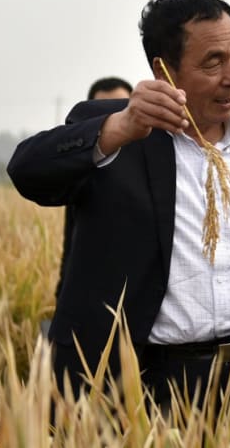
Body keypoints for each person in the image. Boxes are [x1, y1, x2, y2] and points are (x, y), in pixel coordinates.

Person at [8, 0, 230, 446]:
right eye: (213, 62)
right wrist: (116, 129)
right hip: (148, 386)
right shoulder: (119, 131)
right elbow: (27, 172)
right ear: (163, 71)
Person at [55, 77, 134, 302]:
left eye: (121, 108)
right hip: (93, 302)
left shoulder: (155, 165)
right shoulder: (80, 172)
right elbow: (72, 243)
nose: (114, 116)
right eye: (103, 111)